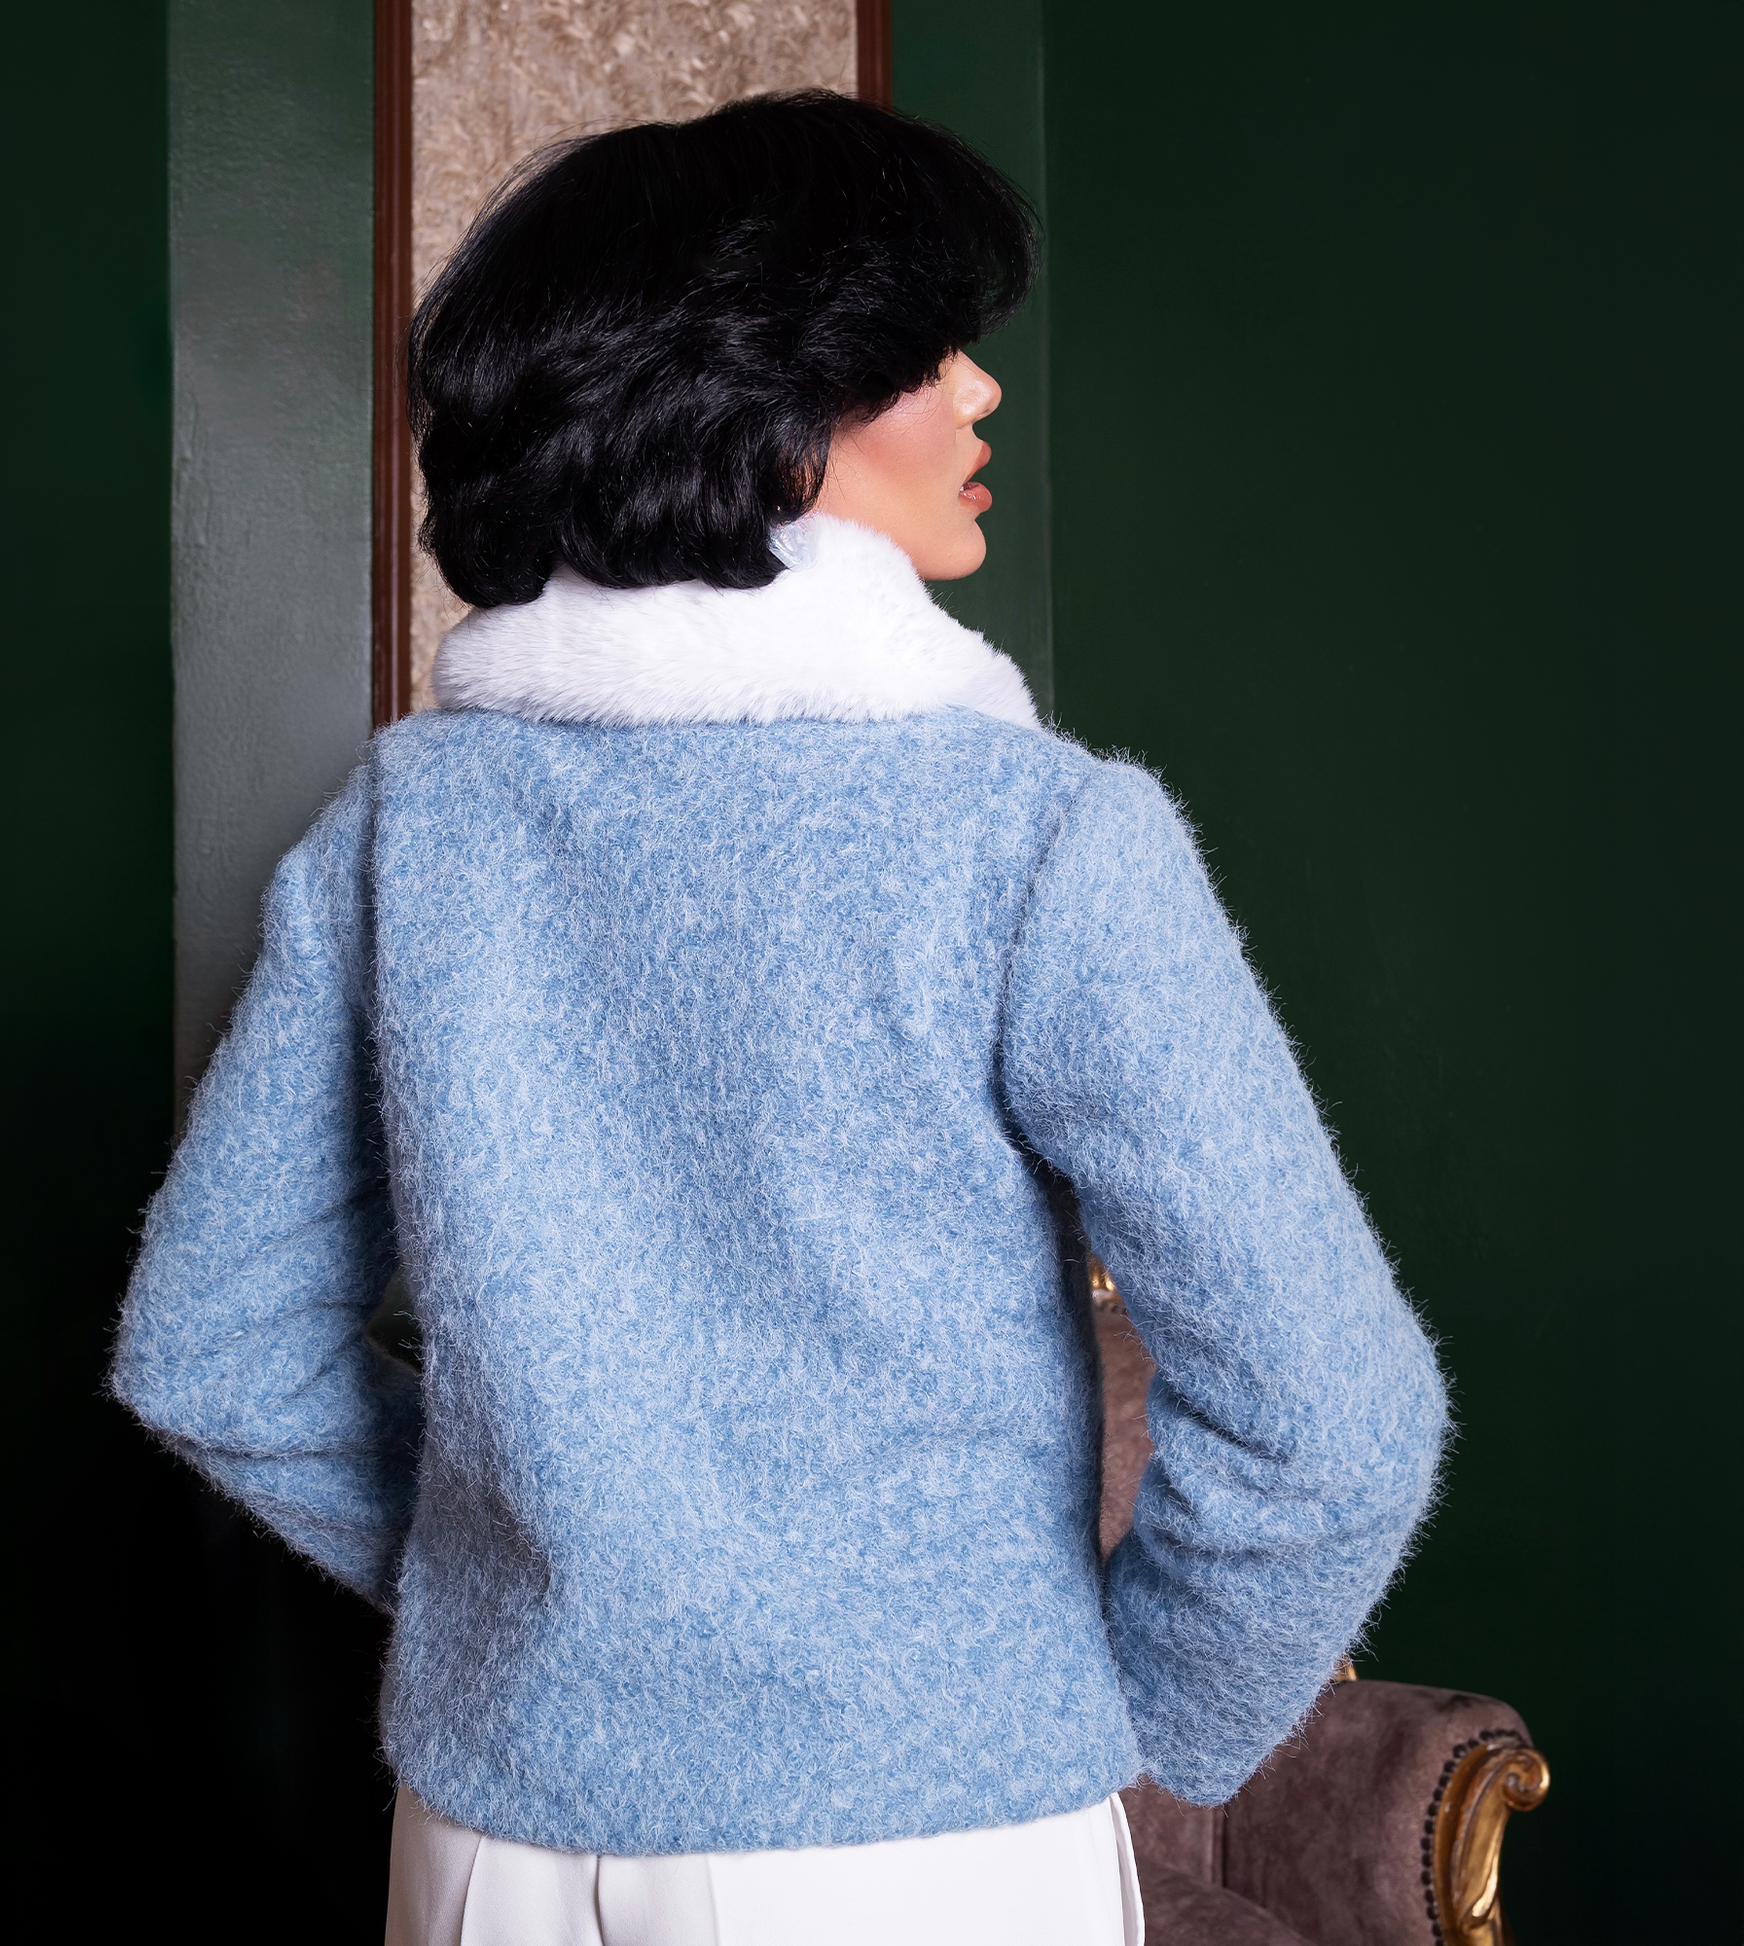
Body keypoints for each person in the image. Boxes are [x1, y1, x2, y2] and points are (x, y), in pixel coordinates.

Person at [112, 90, 1446, 1946]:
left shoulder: (408, 830)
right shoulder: (1031, 837)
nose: (979, 394)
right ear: (763, 399)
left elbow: (212, 1346)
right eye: (923, 351)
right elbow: (1330, 1425)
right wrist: (1112, 1718)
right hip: (927, 1836)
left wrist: (532, 1613)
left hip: (491, 1841)